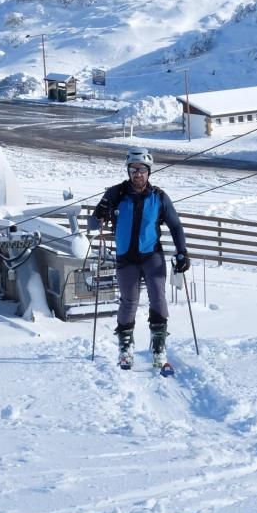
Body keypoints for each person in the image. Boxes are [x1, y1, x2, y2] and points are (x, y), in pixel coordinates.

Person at [93, 147, 190, 369]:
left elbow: (175, 225)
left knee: (158, 298)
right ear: (128, 171)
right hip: (126, 258)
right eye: (133, 169)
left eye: (142, 170)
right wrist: (100, 211)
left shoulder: (159, 197)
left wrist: (182, 251)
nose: (137, 174)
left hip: (151, 256)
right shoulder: (115, 194)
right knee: (129, 302)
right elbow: (93, 222)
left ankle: (158, 347)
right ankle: (126, 348)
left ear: (148, 172)